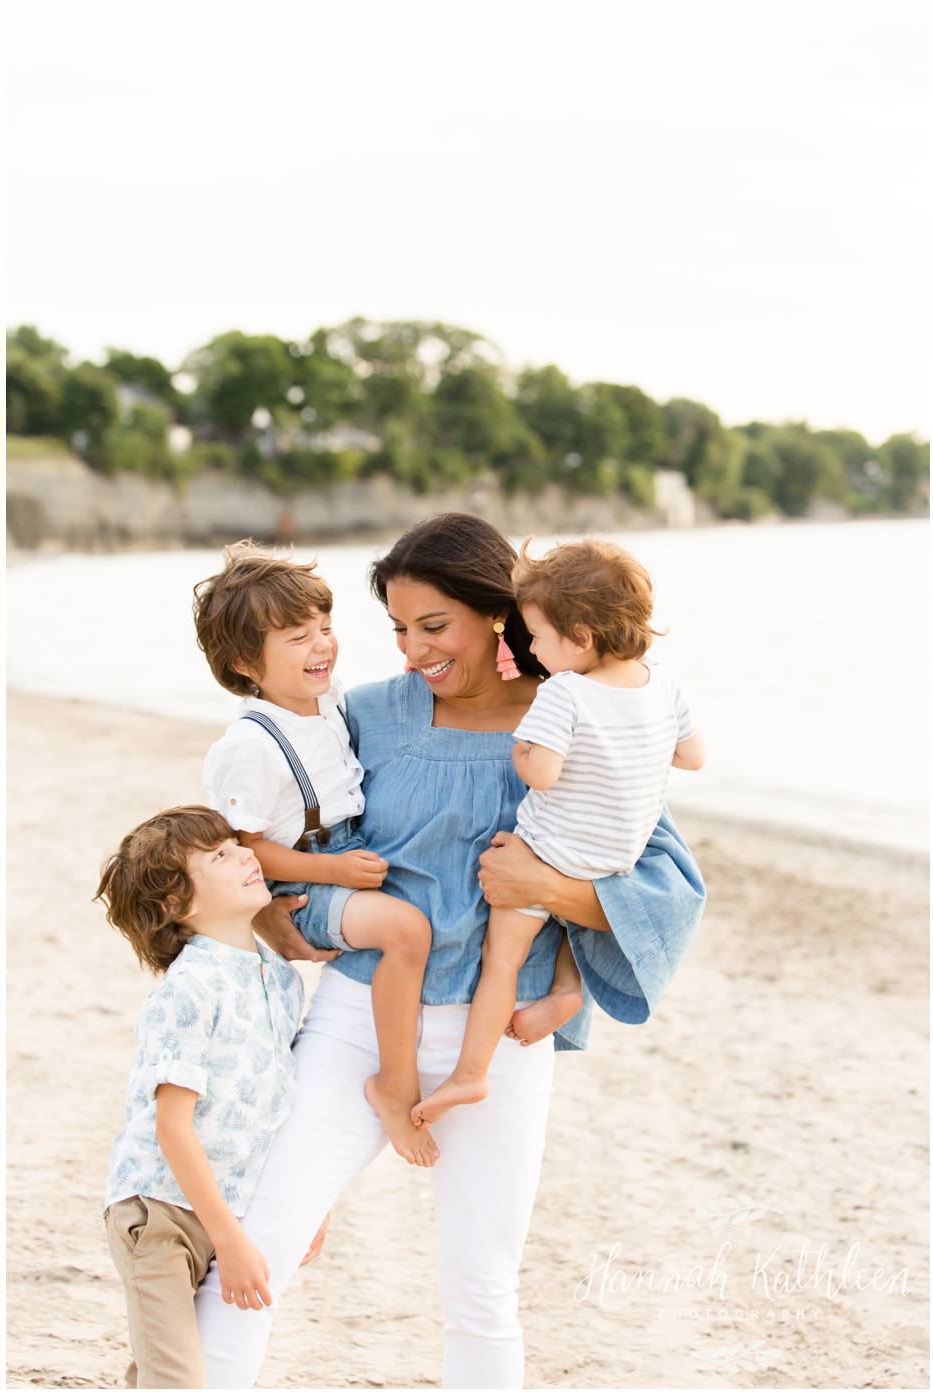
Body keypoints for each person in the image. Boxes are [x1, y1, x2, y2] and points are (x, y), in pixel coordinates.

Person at [192, 513, 705, 1389]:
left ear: (499, 613)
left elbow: (660, 881)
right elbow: (280, 859)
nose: (411, 651)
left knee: (481, 1287)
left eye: (433, 627)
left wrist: (551, 911)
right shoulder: (363, 716)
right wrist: (315, 923)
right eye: (396, 628)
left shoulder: (579, 712)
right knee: (260, 1246)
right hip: (356, 1021)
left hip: (498, 1042)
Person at [414, 538, 705, 1126]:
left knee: (503, 958)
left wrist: (522, 752)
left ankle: (469, 1075)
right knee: (570, 916)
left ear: (582, 637)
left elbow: (541, 775)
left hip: (548, 852)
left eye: (539, 636)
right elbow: (692, 757)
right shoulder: (663, 684)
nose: (534, 649)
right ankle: (568, 991)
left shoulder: (564, 691)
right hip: (616, 860)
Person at [195, 543, 436, 1166]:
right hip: (300, 885)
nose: (322, 646)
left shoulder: (326, 703)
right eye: (299, 638)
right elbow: (246, 850)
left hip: (343, 859)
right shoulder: (251, 743)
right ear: (247, 663)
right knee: (407, 930)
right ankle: (395, 1082)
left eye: (325, 628)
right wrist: (328, 870)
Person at [95, 807, 303, 1388]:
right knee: (179, 1378)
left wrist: (313, 1204)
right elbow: (173, 1128)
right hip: (159, 1213)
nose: (245, 855)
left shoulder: (281, 977)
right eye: (219, 856)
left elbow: (279, 1100)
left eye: (238, 844)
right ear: (176, 905)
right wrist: (232, 1243)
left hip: (227, 1207)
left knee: (174, 1365)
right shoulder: (191, 987)